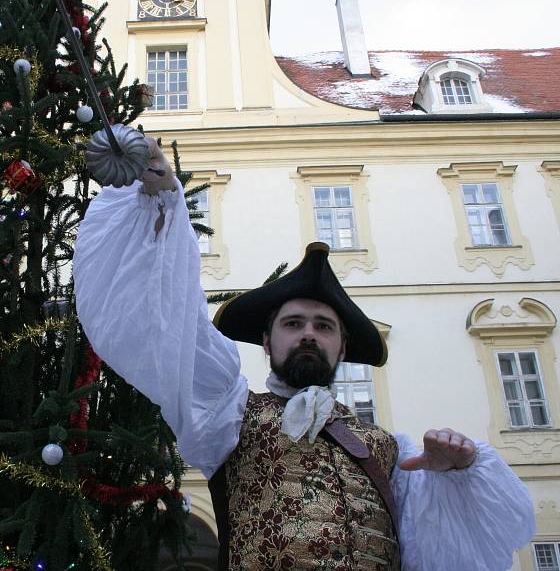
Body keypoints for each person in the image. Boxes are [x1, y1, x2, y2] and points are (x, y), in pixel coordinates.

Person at [73, 139, 535, 570]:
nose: (309, 335)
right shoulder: (226, 414)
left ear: (343, 346)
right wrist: (162, 202)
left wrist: (458, 475)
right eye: (293, 325)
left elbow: (448, 554)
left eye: (323, 326)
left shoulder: (394, 451)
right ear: (267, 341)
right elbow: (167, 319)